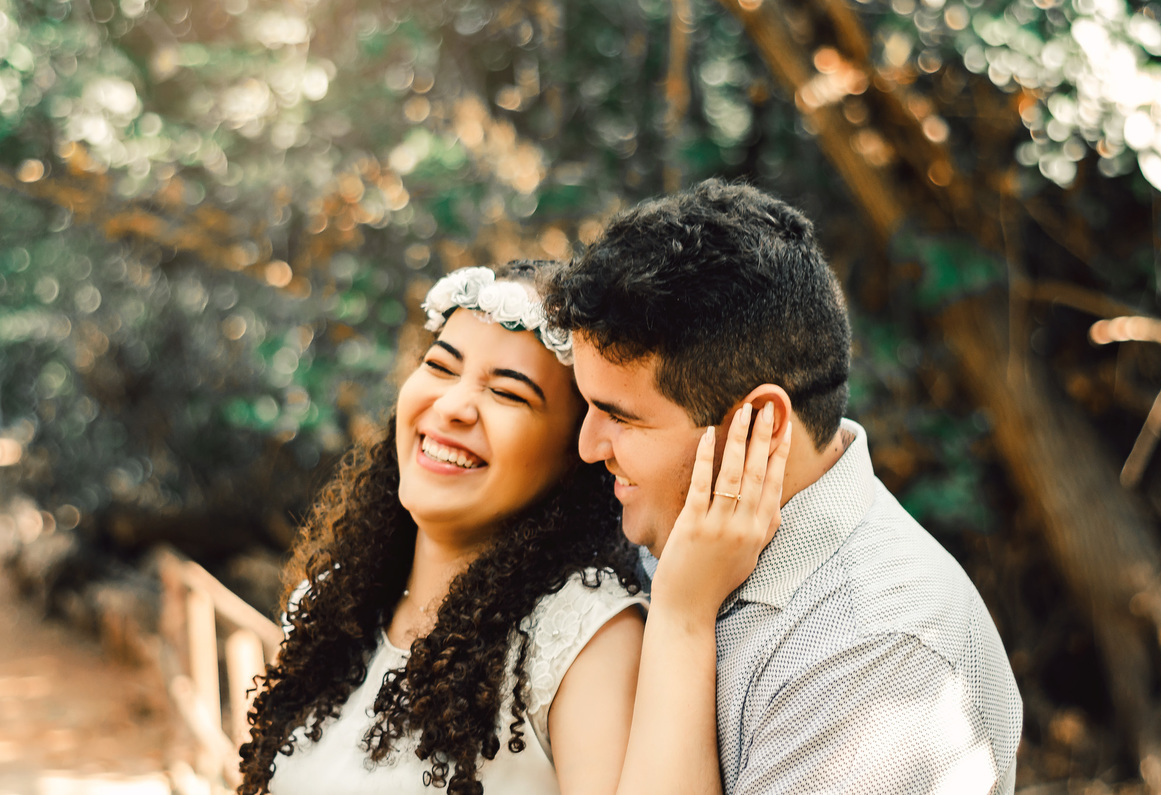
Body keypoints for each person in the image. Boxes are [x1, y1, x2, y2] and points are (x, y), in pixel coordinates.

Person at [542, 178, 1024, 795]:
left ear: (760, 425)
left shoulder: (879, 658)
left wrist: (681, 620)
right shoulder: (671, 517)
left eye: (622, 416)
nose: (588, 448)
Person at [237, 259, 780, 795]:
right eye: (442, 367)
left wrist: (687, 612)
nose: (452, 406)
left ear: (576, 454)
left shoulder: (582, 639)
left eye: (508, 393)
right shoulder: (334, 602)